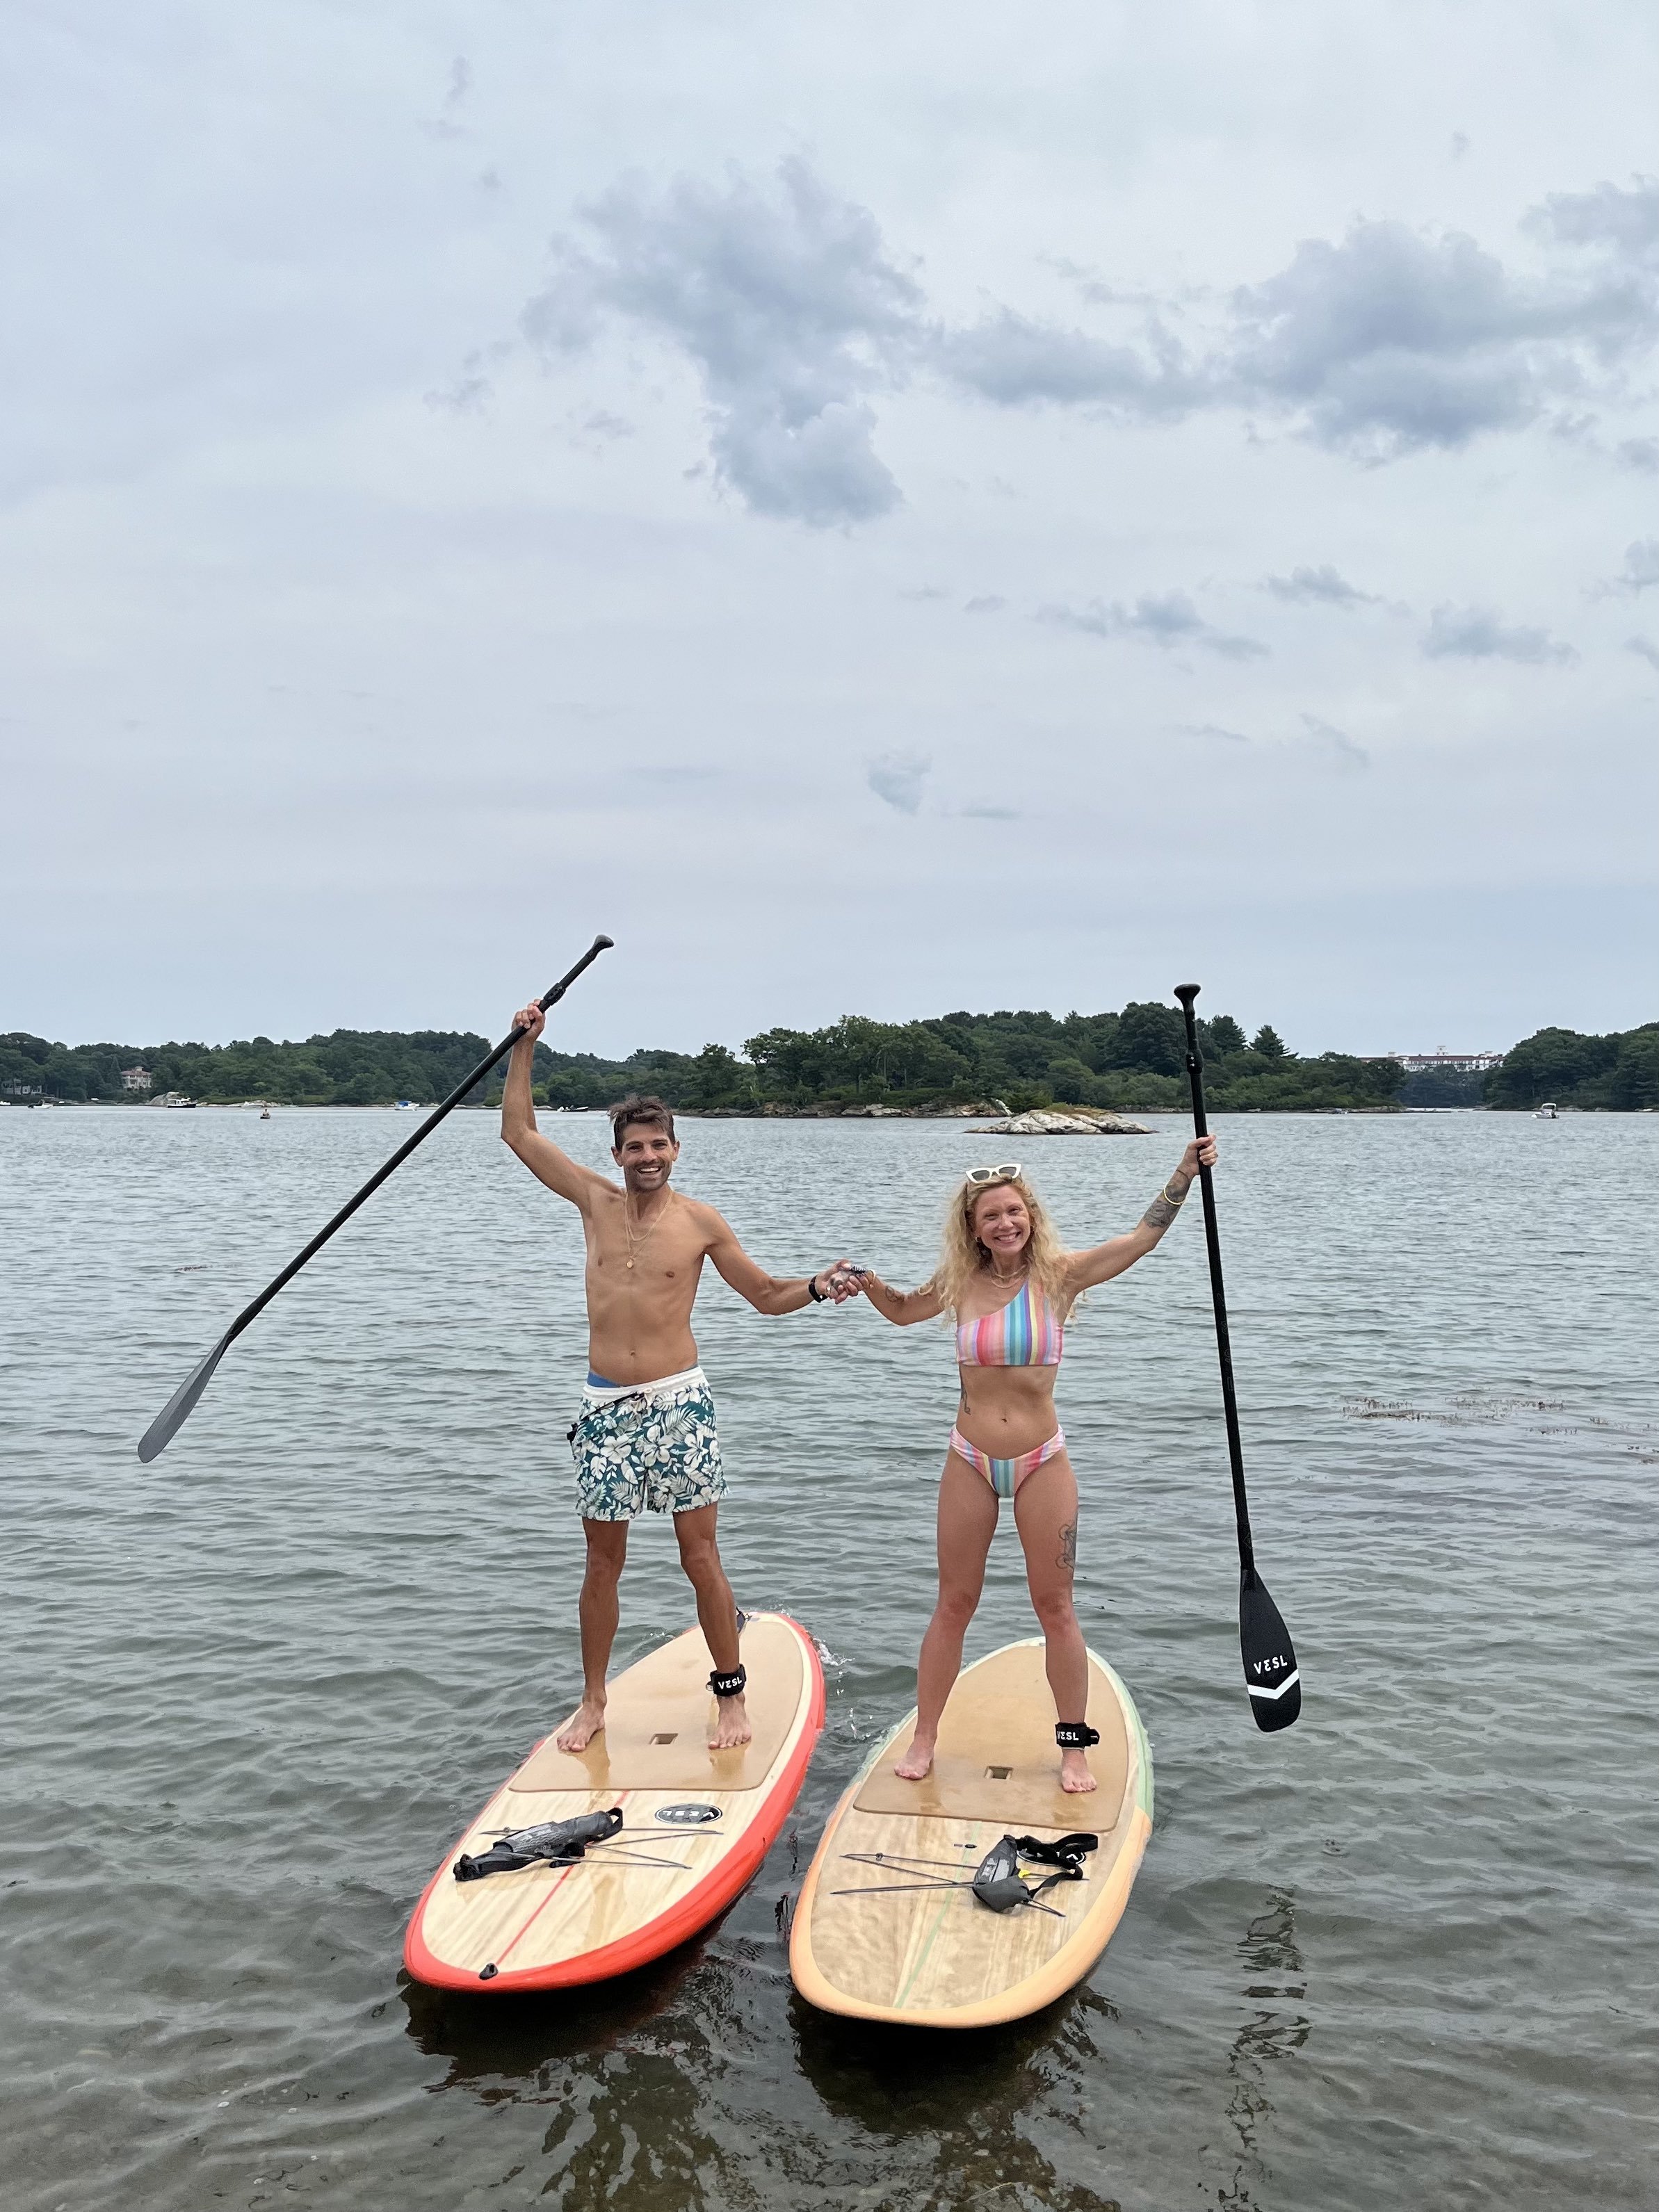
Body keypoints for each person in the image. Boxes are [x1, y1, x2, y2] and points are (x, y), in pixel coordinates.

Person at [501, 1002, 857, 1756]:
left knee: (702, 1556)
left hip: (679, 1404)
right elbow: (520, 1133)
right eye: (633, 1146)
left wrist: (820, 1286)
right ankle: (593, 1698)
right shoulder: (593, 1201)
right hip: (604, 1406)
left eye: (658, 1143)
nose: (646, 1156)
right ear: (618, 1152)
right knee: (603, 1560)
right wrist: (525, 1046)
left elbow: (763, 1295)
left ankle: (730, 1694)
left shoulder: (701, 1221)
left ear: (676, 1147)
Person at [851, 1140, 1217, 1794]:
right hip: (968, 1460)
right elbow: (904, 1312)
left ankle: (1073, 1748)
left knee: (1055, 1607)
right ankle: (926, 1735)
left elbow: (1142, 1239)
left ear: (1031, 1215)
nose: (1005, 1224)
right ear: (973, 1228)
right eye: (990, 1216)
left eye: (1014, 1212)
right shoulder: (958, 1284)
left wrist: (1183, 1174)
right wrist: (867, 1282)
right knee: (953, 1603)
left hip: (1042, 1462)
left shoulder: (1060, 1276)